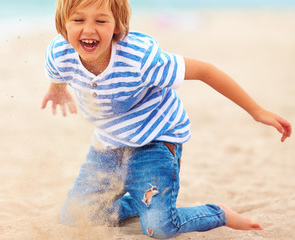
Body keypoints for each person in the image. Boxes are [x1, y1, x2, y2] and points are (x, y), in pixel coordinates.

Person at [41, 0, 292, 238]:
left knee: (159, 228)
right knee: (73, 218)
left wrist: (257, 111)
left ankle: (220, 213)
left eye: (100, 21)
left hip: (155, 142)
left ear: (117, 25)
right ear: (63, 23)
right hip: (108, 146)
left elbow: (205, 71)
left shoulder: (141, 59)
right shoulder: (59, 53)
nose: (88, 29)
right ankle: (136, 202)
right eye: (78, 19)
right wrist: (57, 88)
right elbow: (57, 72)